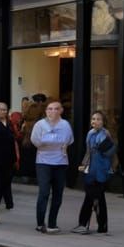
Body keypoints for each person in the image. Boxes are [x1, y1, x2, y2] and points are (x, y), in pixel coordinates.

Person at [30, 100, 74, 233]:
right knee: (44, 192)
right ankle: (40, 223)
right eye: (49, 109)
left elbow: (69, 140)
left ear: (61, 111)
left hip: (60, 162)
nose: (52, 111)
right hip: (43, 162)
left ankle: (52, 223)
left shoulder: (65, 125)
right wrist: (52, 142)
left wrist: (50, 141)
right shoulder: (40, 125)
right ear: (46, 111)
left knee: (58, 194)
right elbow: (36, 141)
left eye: (55, 109)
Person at [72, 111, 115, 234]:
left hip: (101, 169)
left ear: (103, 122)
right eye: (93, 119)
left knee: (92, 197)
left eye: (98, 119)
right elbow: (88, 152)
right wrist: (84, 164)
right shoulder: (90, 133)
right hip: (91, 169)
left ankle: (84, 224)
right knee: (97, 197)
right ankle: (101, 226)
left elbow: (107, 154)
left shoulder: (105, 134)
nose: (94, 121)